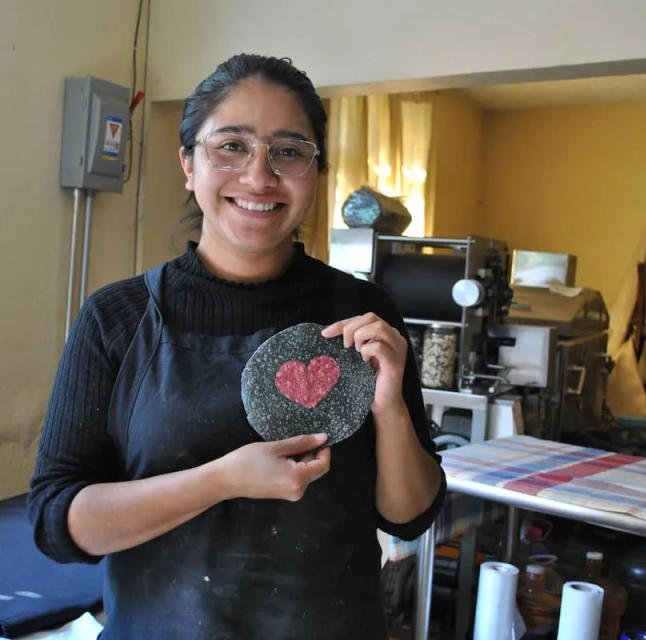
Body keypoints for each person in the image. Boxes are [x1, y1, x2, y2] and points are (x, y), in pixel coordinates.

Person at [28, 53, 445, 639]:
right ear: (188, 165)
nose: (258, 176)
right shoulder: (117, 318)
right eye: (231, 146)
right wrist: (219, 480)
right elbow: (58, 525)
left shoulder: (365, 312)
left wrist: (391, 410)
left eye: (289, 151)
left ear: (315, 172)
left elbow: (410, 515)